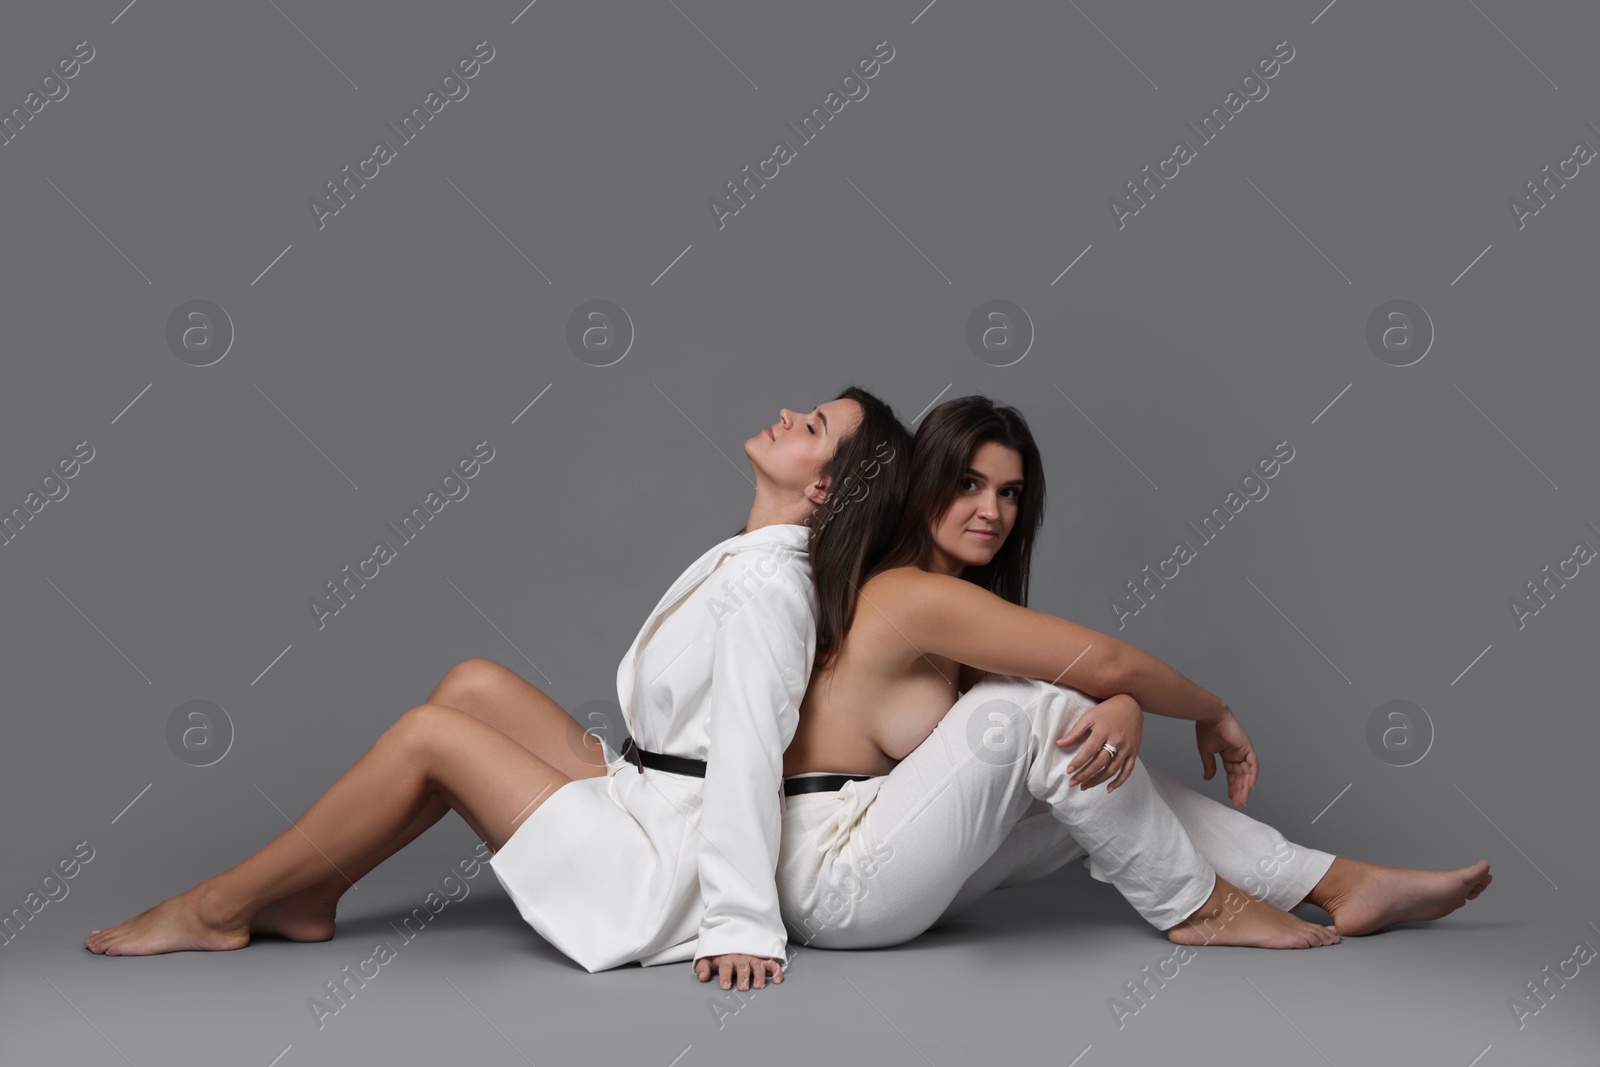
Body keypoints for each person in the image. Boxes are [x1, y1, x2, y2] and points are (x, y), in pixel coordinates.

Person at [85, 386, 913, 995]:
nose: (787, 413)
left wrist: (740, 922)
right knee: (473, 685)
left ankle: (218, 906)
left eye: (814, 428)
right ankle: (314, 893)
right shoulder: (755, 556)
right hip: (646, 794)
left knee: (427, 736)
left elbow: (746, 755)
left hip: (661, 865)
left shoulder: (771, 587)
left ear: (826, 491)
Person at [777, 395, 1492, 953]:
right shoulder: (911, 595)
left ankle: (1335, 881)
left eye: (1011, 492)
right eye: (967, 483)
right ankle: (1195, 902)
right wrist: (1209, 707)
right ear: (923, 483)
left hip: (879, 858)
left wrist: (1119, 704)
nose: (991, 511)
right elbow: (1100, 664)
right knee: (1036, 719)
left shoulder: (937, 603)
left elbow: (1070, 693)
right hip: (832, 875)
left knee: (1084, 758)